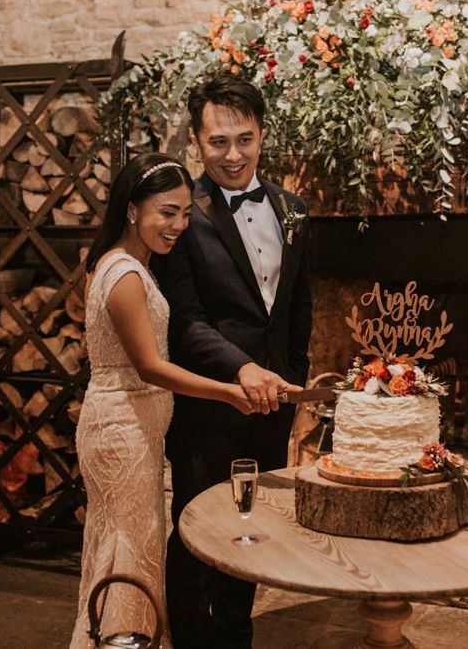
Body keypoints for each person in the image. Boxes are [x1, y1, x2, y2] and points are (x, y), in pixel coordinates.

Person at [152, 73, 312, 648]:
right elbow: (185, 320)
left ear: (263, 135)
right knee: (196, 534)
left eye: (244, 139)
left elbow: (296, 311)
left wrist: (290, 387)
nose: (232, 154)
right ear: (196, 142)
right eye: (218, 142)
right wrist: (240, 368)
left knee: (252, 527)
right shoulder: (179, 215)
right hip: (205, 405)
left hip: (274, 406)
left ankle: (236, 638)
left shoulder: (293, 210)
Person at [69, 153, 254, 649]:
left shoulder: (134, 265)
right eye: (166, 212)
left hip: (138, 432)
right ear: (133, 211)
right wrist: (229, 393)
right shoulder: (124, 274)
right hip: (121, 435)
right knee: (128, 556)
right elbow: (150, 367)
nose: (179, 225)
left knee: (133, 551)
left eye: (185, 212)